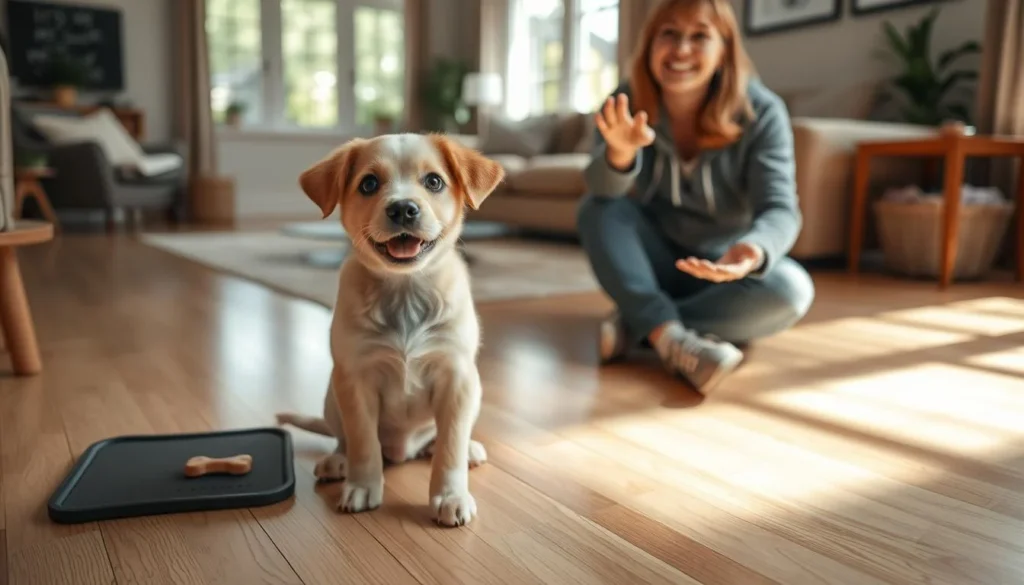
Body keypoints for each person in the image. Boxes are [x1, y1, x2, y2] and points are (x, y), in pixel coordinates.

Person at [577, 0, 815, 395]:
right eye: (668, 34)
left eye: (699, 36)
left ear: (724, 49)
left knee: (791, 291)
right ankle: (669, 335)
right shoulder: (625, 101)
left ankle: (644, 323)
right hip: (653, 258)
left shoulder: (763, 112)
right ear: (650, 44)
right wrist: (619, 156)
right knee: (597, 210)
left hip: (720, 270)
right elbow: (600, 192)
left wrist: (753, 250)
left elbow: (780, 209)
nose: (682, 49)